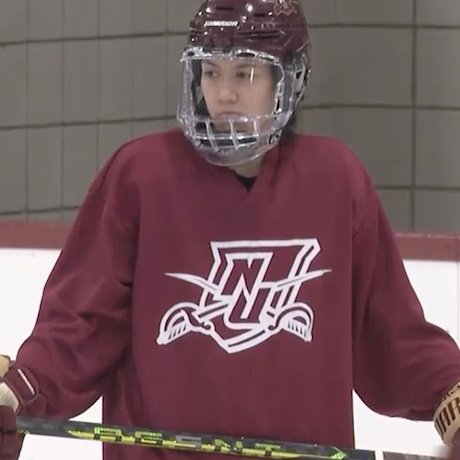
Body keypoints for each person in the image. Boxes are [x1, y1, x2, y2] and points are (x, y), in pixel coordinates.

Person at [1, 0, 460, 459]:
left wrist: (451, 394)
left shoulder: (336, 180)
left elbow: (390, 337)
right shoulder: (140, 176)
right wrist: (19, 391)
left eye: (245, 73)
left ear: (290, 78)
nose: (223, 94)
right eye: (210, 72)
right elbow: (80, 327)